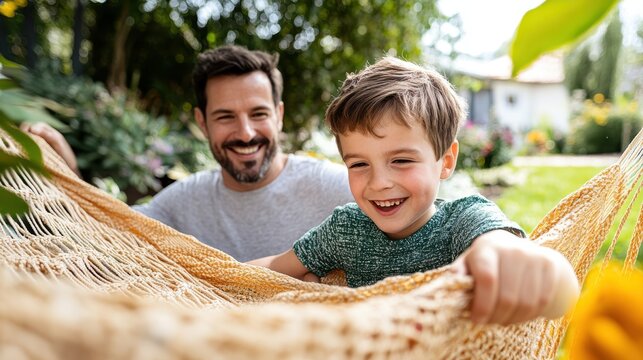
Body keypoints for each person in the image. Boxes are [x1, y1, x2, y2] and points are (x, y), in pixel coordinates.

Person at [249, 57, 579, 325]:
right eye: (359, 165)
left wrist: (519, 262)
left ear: (445, 161)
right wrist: (201, 270)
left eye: (402, 160)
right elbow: (271, 268)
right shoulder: (345, 229)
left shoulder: (463, 220)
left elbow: (519, 259)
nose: (379, 183)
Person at [21, 45, 354, 262]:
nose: (246, 133)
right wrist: (68, 170)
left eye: (258, 114)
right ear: (202, 123)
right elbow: (103, 230)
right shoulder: (182, 203)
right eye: (225, 117)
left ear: (279, 115)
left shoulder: (338, 189)